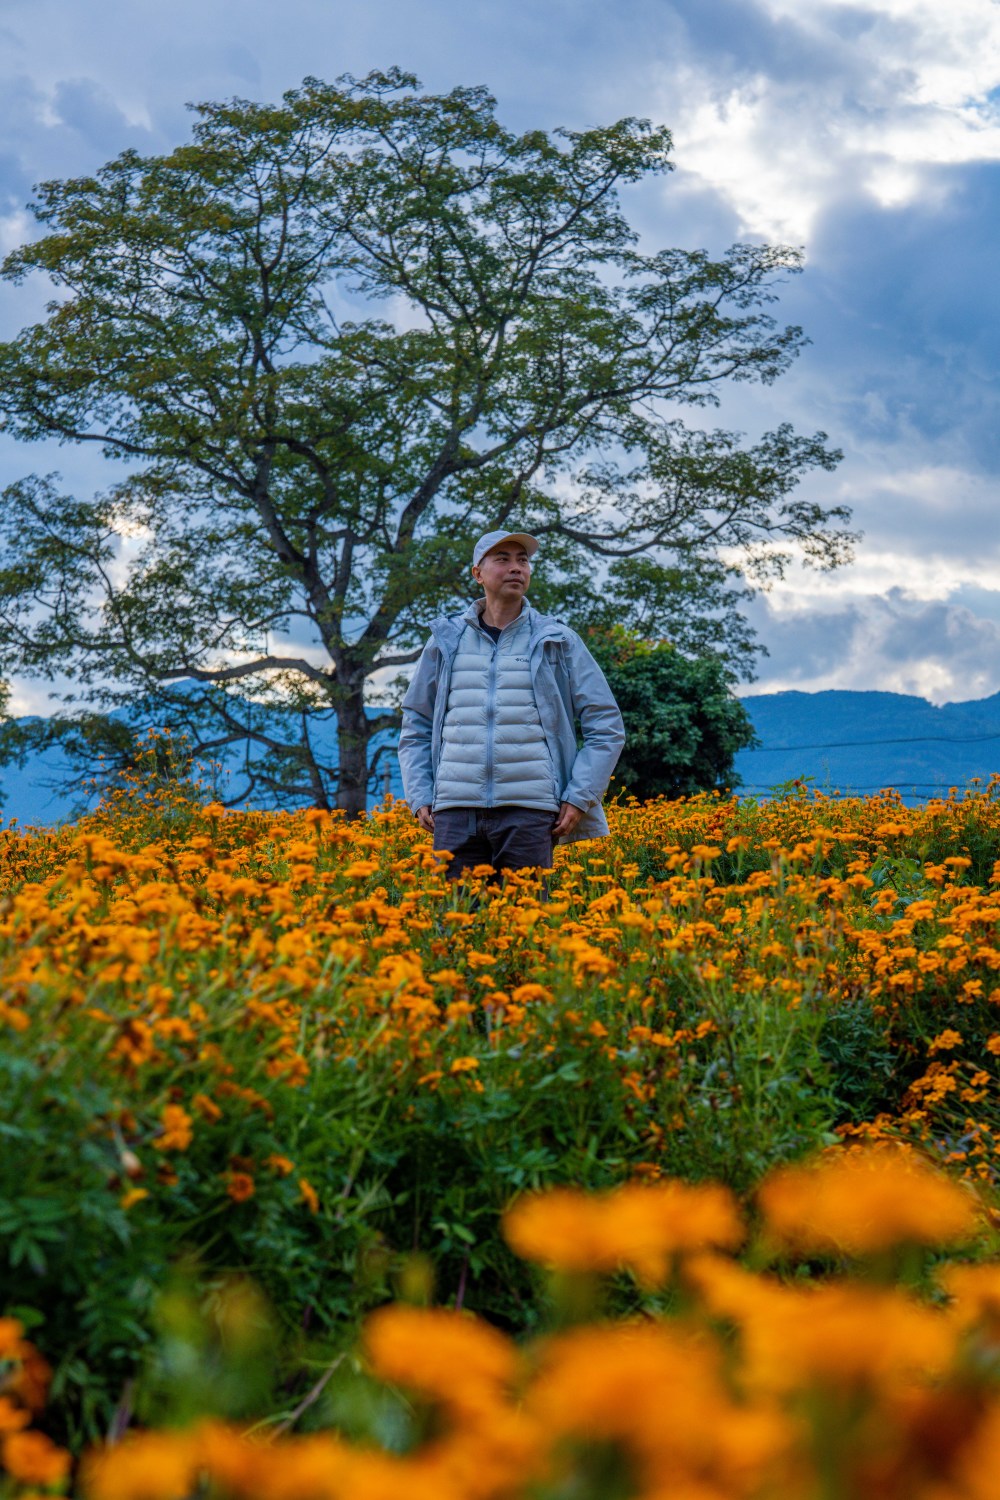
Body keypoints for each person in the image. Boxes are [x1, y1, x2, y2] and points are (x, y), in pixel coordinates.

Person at [397, 528, 625, 879]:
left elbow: (606, 725)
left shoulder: (556, 640)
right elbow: (416, 723)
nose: (516, 568)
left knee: (525, 925)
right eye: (502, 559)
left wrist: (580, 796)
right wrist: (420, 795)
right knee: (456, 927)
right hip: (455, 811)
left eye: (523, 560)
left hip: (531, 811)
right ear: (477, 573)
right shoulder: (446, 640)